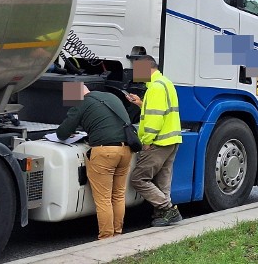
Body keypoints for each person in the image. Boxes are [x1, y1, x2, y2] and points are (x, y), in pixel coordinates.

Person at [56, 83, 132, 239]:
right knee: (118, 195)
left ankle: (106, 237)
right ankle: (117, 233)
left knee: (103, 199)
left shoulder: (81, 103)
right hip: (125, 150)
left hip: (104, 152)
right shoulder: (111, 97)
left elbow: (62, 133)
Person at [126, 55, 183, 227]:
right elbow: (160, 110)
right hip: (171, 140)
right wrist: (141, 103)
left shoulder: (156, 88)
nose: (136, 74)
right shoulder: (166, 83)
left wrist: (147, 141)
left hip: (158, 142)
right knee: (163, 181)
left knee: (138, 179)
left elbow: (155, 117)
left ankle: (168, 209)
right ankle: (163, 215)